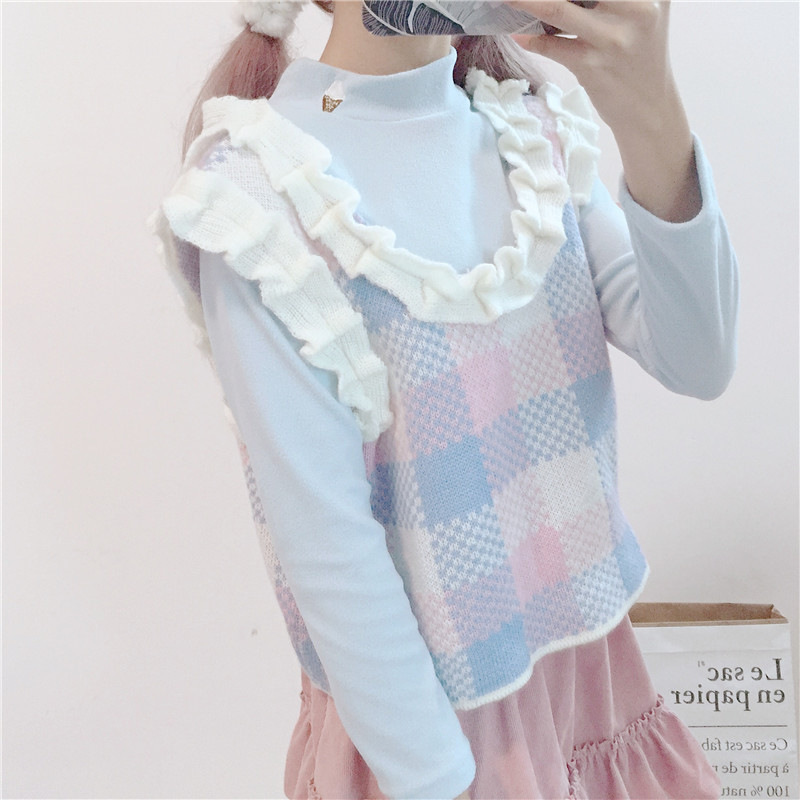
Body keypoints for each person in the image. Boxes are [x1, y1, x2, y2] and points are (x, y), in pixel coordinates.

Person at [151, 1, 739, 797]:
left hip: (595, 681)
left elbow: (699, 359)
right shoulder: (259, 196)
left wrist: (650, 111)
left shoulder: (529, 133)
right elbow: (326, 543)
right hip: (427, 732)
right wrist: (435, 777)